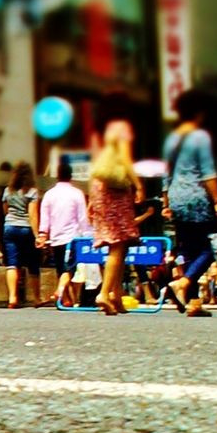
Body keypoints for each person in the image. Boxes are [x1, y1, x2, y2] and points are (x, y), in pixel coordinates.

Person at [161, 95, 217, 317]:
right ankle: (184, 282)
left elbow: (166, 174)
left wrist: (166, 202)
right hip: (196, 196)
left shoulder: (171, 139)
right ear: (199, 113)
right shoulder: (200, 137)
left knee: (189, 250)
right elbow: (207, 172)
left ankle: (193, 302)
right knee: (211, 248)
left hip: (176, 197)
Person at [88, 119, 141, 314]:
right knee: (118, 244)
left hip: (100, 189)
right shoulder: (122, 128)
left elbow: (96, 166)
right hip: (116, 190)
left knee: (119, 243)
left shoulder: (106, 132)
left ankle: (116, 295)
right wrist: (138, 185)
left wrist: (91, 200)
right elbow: (126, 159)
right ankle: (104, 293)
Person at [37, 163, 92, 308]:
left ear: (57, 176)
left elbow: (45, 217)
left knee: (61, 269)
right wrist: (87, 235)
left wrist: (42, 234)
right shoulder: (77, 194)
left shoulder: (49, 194)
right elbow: (82, 217)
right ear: (71, 176)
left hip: (56, 238)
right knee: (69, 269)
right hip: (73, 237)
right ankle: (60, 290)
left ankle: (66, 300)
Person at [0, 163, 41, 304]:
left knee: (12, 263)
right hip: (25, 228)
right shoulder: (32, 191)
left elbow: (5, 210)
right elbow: (32, 215)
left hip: (9, 227)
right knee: (32, 263)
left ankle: (12, 297)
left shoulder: (8, 191)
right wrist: (37, 235)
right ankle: (36, 298)